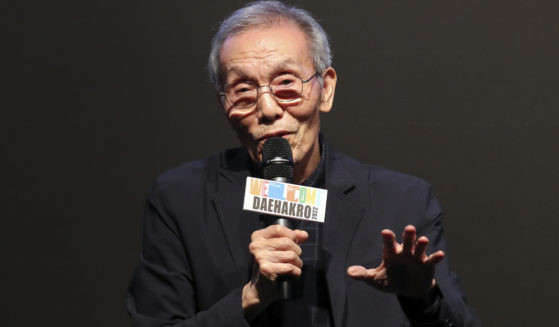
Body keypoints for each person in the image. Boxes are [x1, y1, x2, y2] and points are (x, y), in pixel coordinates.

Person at [127, 1, 481, 326]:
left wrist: (424, 299)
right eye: (244, 91)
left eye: (286, 84)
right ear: (224, 104)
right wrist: (249, 299)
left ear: (325, 90)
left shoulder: (403, 202)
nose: (267, 109)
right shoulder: (181, 200)